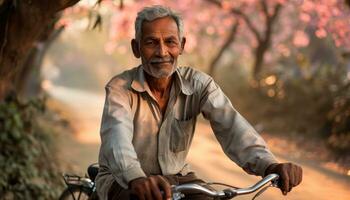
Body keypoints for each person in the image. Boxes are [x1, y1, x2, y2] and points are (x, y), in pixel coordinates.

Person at [95, 5, 302, 200]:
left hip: (176, 177)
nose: (162, 52)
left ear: (182, 45)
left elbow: (233, 127)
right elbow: (116, 138)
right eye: (151, 42)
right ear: (136, 48)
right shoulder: (120, 88)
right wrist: (135, 177)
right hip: (123, 180)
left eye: (170, 42)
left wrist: (269, 165)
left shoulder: (199, 85)